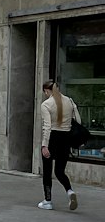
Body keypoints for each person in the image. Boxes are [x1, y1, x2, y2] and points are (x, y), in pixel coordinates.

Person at [38, 80, 80, 210]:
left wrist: (45, 145)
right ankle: (70, 191)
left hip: (52, 138)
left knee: (47, 171)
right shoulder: (70, 101)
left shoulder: (46, 104)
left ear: (46, 91)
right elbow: (78, 121)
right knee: (60, 171)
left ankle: (48, 201)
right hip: (66, 138)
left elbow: (47, 126)